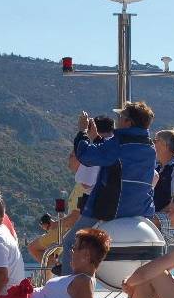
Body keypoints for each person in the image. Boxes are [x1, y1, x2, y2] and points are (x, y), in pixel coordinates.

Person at [60, 101, 157, 274]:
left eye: (121, 116)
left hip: (110, 209)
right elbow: (115, 159)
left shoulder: (118, 143)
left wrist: (82, 132)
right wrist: (97, 138)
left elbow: (86, 156)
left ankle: (68, 290)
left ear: (128, 122)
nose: (117, 120)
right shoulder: (149, 147)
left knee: (69, 242)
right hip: (139, 210)